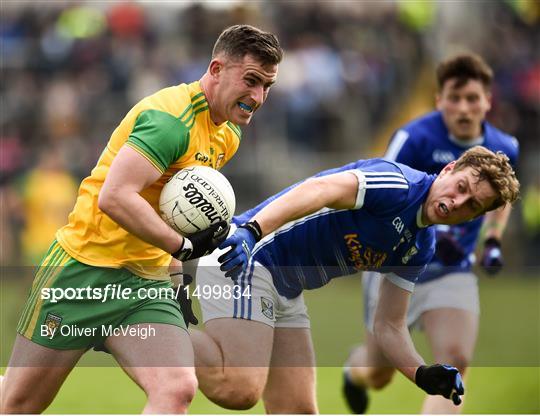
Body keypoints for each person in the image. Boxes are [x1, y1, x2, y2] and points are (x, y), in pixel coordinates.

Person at [0, 24, 282, 414]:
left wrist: (178, 282)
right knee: (17, 404)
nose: (258, 96)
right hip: (83, 272)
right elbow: (114, 198)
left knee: (177, 388)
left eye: (267, 86)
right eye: (251, 80)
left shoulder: (228, 133)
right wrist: (182, 246)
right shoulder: (171, 121)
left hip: (144, 285)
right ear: (216, 69)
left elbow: (171, 213)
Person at [190, 146, 519, 413]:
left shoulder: (421, 246)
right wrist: (251, 229)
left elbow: (389, 325)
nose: (457, 202)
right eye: (461, 187)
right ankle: (151, 319)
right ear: (448, 170)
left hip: (284, 289)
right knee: (238, 389)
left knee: (298, 411)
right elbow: (319, 189)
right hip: (249, 257)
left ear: (474, 218)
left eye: (471, 205)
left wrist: (421, 373)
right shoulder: (398, 186)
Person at [343, 53, 519, 414]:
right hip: (394, 266)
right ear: (439, 100)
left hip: (452, 272)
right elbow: (381, 189)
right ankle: (352, 372)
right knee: (378, 374)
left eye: (473, 98)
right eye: (454, 98)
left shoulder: (506, 148)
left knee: (455, 361)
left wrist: (493, 239)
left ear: (488, 101)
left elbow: (502, 200)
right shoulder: (414, 138)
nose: (464, 107)